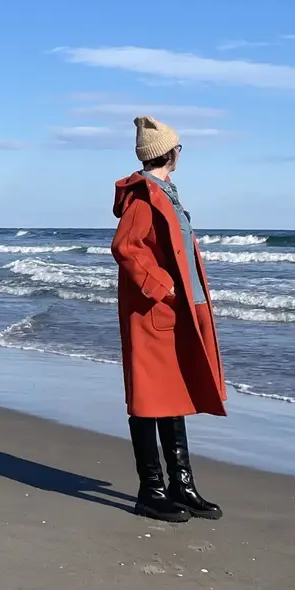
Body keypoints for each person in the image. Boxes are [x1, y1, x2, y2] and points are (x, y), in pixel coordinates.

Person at [111, 116, 227, 522]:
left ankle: (182, 485)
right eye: (180, 148)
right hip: (154, 312)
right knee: (148, 398)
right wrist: (163, 288)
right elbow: (125, 247)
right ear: (171, 152)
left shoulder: (166, 192)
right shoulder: (144, 197)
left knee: (172, 394)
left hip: (176, 310)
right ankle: (151, 490)